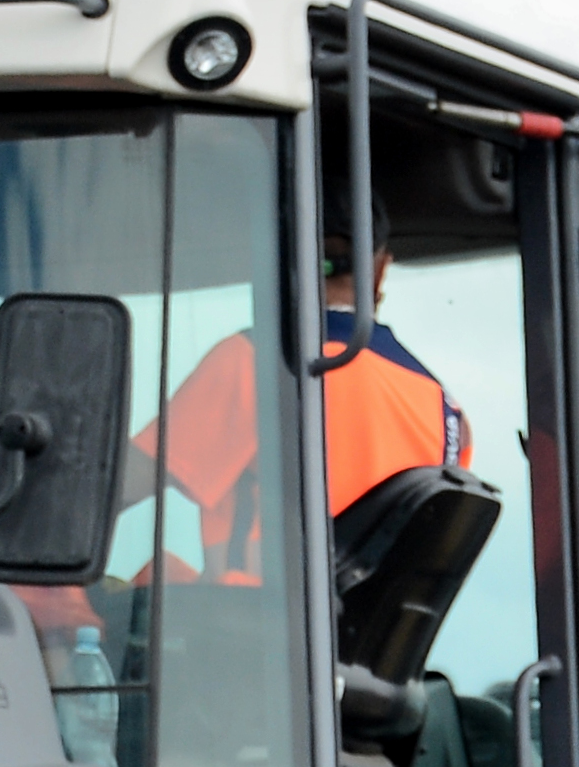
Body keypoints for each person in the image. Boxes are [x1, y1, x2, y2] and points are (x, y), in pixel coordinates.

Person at [126, 243, 470, 577]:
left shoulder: (254, 360)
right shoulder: (446, 409)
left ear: (278, 261)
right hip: (369, 632)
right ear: (379, 271)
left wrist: (71, 586)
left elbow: (119, 485)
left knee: (153, 578)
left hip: (255, 620)